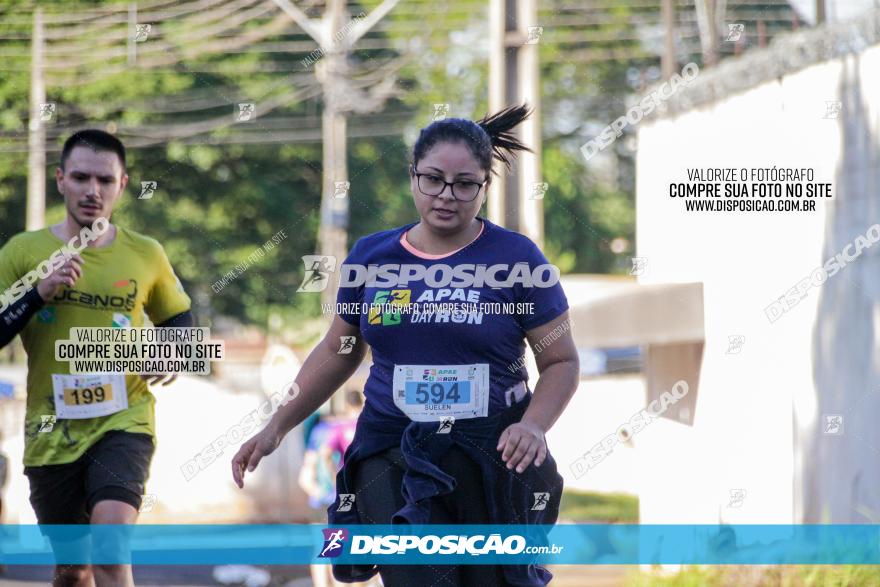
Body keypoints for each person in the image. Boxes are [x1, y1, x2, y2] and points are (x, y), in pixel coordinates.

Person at [232, 104, 579, 586]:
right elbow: (338, 350)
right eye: (432, 179)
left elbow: (561, 360)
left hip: (489, 454)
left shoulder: (518, 259)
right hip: (390, 448)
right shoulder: (372, 258)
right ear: (412, 175)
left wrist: (535, 426)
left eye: (465, 184)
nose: (446, 196)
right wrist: (276, 427)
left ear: (484, 186)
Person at [0, 129, 194, 587]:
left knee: (109, 552)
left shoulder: (146, 253)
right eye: (82, 177)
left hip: (123, 420)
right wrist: (37, 293)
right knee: (73, 572)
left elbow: (180, 324)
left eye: (105, 180)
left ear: (122, 185)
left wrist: (173, 353)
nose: (93, 191)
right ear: (60, 180)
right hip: (50, 430)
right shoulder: (23, 252)